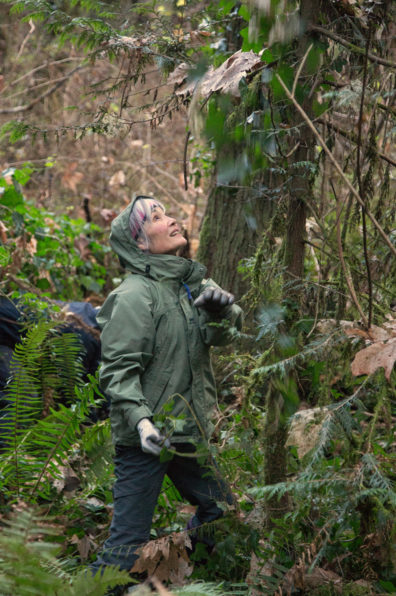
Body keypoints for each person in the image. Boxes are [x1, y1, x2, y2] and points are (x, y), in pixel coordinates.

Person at [90, 195, 243, 592]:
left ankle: (179, 569)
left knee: (221, 514)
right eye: (157, 218)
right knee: (123, 553)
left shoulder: (190, 283)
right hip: (147, 439)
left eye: (168, 212)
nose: (172, 220)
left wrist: (220, 311)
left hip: (186, 431)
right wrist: (142, 425)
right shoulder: (133, 296)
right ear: (139, 242)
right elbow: (118, 372)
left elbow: (223, 334)